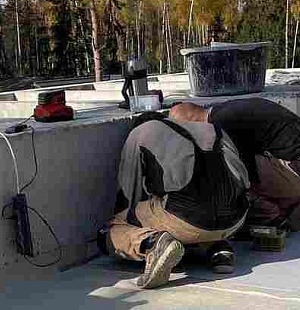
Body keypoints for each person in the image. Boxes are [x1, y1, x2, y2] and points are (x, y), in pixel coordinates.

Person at [102, 113, 250, 289]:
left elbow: (129, 192)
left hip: (187, 219)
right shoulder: (213, 129)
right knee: (207, 202)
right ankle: (219, 249)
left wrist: (135, 221)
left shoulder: (141, 132)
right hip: (236, 220)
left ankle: (154, 244)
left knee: (113, 227)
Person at [169, 98, 300, 233]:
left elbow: (242, 177)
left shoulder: (223, 125)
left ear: (192, 124)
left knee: (235, 185)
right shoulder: (223, 111)